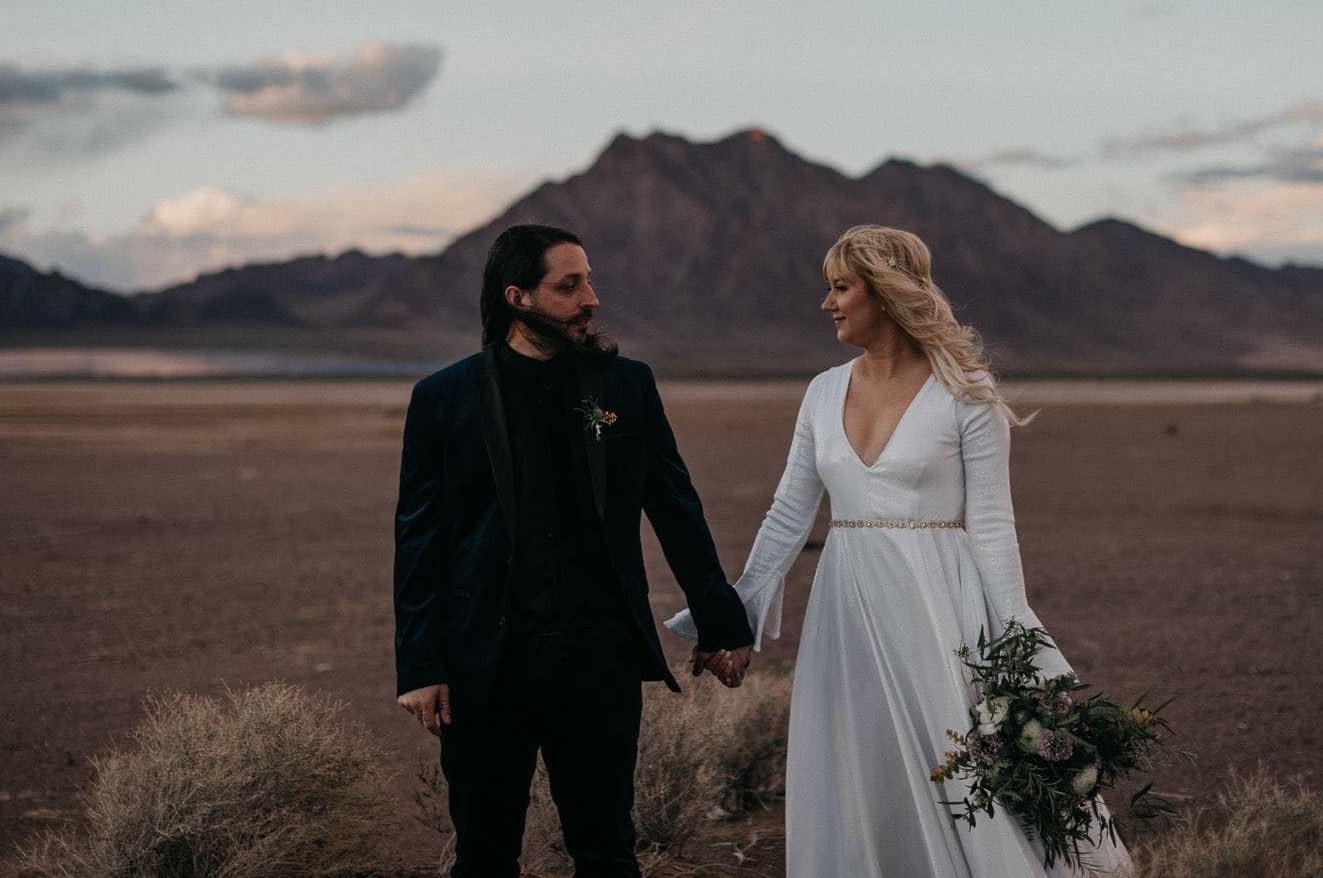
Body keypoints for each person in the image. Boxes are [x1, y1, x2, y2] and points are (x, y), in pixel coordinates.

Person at [671, 224, 1134, 876]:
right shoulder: (822, 391)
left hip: (938, 606)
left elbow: (995, 525)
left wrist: (1016, 643)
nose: (827, 304)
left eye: (840, 287)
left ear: (884, 294)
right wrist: (734, 618)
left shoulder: (965, 392)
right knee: (861, 760)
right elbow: (787, 512)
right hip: (845, 605)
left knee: (955, 765)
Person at [393, 223, 754, 878]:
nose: (591, 297)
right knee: (484, 853)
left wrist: (720, 619)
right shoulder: (444, 398)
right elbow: (420, 538)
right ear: (517, 296)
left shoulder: (626, 387)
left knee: (607, 848)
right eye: (570, 284)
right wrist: (421, 663)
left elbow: (675, 508)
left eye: (589, 279)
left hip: (598, 655)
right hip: (484, 662)